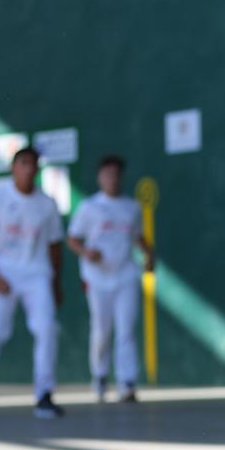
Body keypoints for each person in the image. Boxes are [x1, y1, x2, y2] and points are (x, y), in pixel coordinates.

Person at [0, 147, 66, 419]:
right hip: (1, 273)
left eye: (33, 164)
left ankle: (44, 394)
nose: (28, 169)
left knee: (46, 329)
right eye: (23, 163)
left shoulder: (47, 204)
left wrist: (55, 284)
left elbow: (55, 247)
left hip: (37, 274)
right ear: (13, 168)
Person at [67, 155, 155, 403]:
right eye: (107, 175)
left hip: (126, 274)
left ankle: (127, 383)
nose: (112, 179)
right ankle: (100, 375)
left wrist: (149, 255)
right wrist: (86, 253)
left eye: (116, 175)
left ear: (121, 177)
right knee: (101, 330)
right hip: (97, 278)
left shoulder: (131, 207)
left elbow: (137, 236)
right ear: (100, 178)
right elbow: (72, 238)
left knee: (126, 330)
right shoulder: (89, 207)